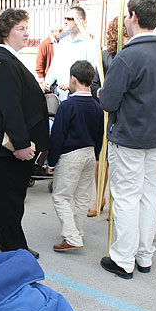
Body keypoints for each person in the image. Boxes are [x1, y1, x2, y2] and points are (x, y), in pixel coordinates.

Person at [98, 0, 156, 279]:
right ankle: (144, 255)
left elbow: (108, 101)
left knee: (125, 198)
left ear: (132, 16)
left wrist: (101, 93)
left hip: (130, 138)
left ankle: (123, 259)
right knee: (148, 197)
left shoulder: (128, 56)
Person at [0, 8, 48, 259]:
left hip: (2, 146)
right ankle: (14, 248)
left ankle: (1, 239)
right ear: (6, 32)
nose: (26, 33)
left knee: (1, 195)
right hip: (10, 147)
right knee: (11, 198)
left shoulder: (2, 59)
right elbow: (10, 107)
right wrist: (21, 143)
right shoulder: (5, 62)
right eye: (21, 28)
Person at [47, 60, 103, 252]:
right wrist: (96, 154)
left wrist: (51, 161)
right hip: (90, 153)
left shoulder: (67, 105)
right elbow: (99, 134)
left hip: (71, 154)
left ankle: (71, 236)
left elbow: (58, 135)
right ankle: (77, 232)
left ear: (73, 78)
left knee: (61, 196)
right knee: (82, 197)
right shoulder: (97, 107)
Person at [87, 17, 128, 217]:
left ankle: (115, 201)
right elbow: (94, 84)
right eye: (122, 33)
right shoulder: (105, 57)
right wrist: (101, 92)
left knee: (120, 162)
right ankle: (99, 197)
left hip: (125, 117)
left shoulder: (132, 56)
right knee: (100, 159)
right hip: (106, 115)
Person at [43, 6, 99, 100]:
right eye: (64, 18)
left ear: (80, 20)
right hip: (58, 94)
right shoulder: (63, 42)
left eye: (69, 19)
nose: (65, 21)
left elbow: (90, 72)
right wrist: (47, 82)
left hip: (77, 96)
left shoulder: (89, 43)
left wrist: (71, 84)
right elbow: (55, 66)